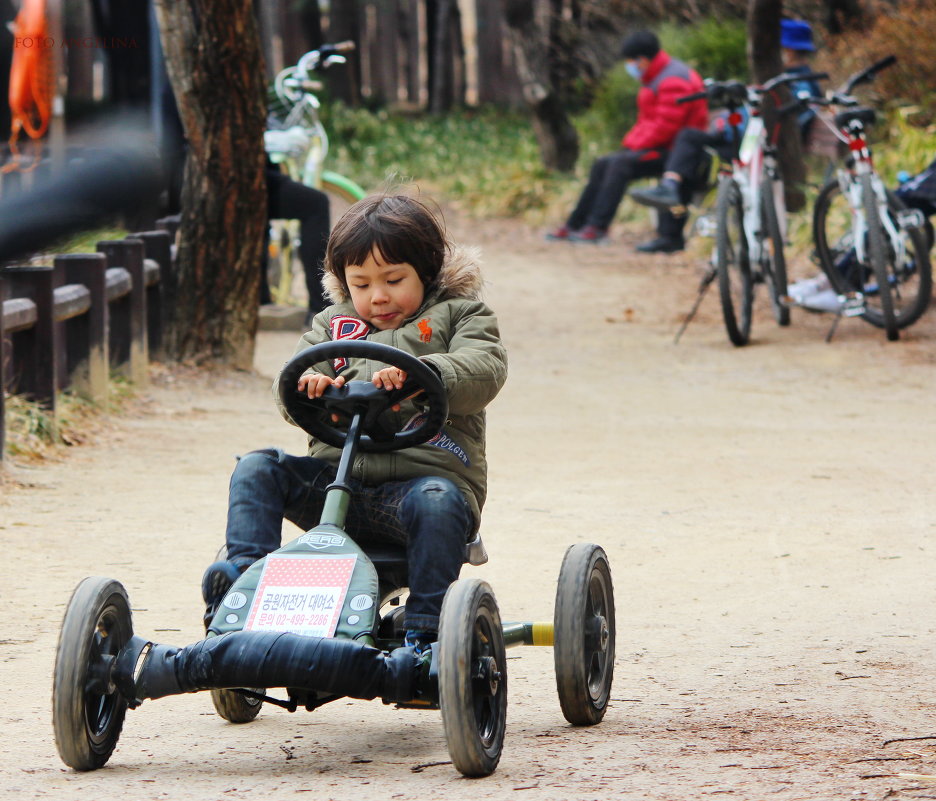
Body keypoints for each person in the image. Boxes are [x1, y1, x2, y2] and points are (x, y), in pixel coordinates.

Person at [201, 194, 508, 653]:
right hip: (335, 490)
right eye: (361, 284)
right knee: (257, 467)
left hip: (422, 490)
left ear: (427, 271)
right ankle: (245, 585)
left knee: (437, 500)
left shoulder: (461, 316)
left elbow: (484, 368)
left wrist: (425, 375)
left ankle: (426, 630)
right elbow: (292, 386)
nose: (378, 296)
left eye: (393, 280)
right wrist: (308, 387)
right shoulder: (331, 325)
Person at [630, 19, 823, 219]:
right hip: (740, 139)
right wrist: (727, 119)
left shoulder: (799, 83)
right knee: (688, 139)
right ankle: (670, 188)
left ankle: (673, 216)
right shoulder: (776, 77)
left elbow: (781, 117)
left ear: (788, 52)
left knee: (690, 157)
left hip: (753, 146)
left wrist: (733, 125)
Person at [545, 30, 708, 252]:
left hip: (676, 153)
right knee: (604, 162)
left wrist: (633, 146)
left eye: (630, 61)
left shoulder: (672, 80)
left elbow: (666, 127)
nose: (629, 66)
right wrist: (631, 144)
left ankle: (597, 227)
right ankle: (576, 224)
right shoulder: (656, 76)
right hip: (663, 147)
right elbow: (647, 122)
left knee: (619, 164)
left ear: (642, 59)